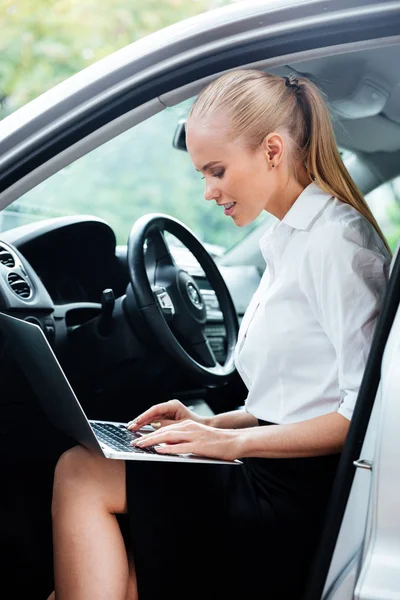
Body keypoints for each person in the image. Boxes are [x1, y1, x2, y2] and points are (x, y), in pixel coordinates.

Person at [47, 69, 391, 600]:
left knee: (81, 472)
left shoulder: (337, 245)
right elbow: (295, 398)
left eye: (217, 171)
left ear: (272, 150)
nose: (208, 192)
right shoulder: (286, 237)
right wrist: (206, 423)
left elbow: (362, 417)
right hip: (269, 467)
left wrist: (227, 442)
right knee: (105, 570)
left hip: (294, 496)